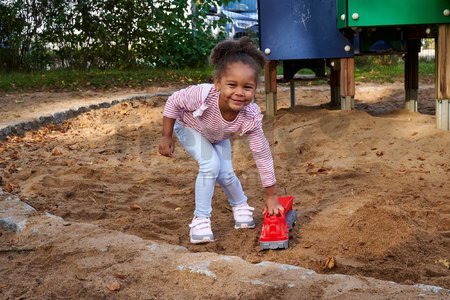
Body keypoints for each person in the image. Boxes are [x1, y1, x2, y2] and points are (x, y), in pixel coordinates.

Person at [158, 37, 282, 244]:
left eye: (247, 87)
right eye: (232, 85)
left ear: (255, 89)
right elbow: (173, 102)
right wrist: (166, 136)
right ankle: (201, 219)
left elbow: (262, 153)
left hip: (217, 135)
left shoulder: (249, 115)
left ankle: (240, 205)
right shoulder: (202, 95)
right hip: (188, 126)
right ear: (218, 83)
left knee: (225, 172)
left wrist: (271, 194)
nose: (239, 93)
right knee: (210, 165)